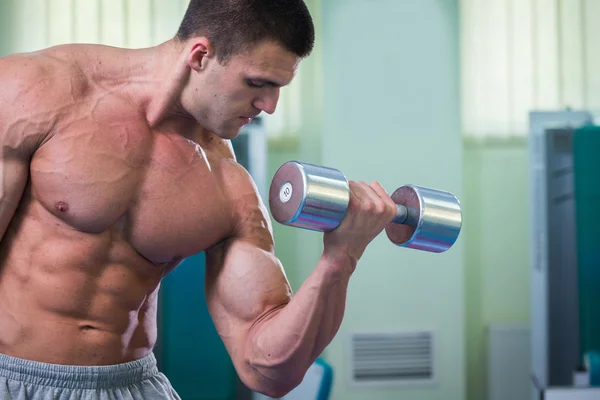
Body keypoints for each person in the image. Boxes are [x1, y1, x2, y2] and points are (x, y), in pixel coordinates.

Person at [0, 0, 399, 399]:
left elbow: (267, 369)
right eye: (258, 83)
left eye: (279, 89)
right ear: (200, 55)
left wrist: (340, 258)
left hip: (131, 386)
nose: (270, 107)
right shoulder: (36, 92)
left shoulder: (228, 185)